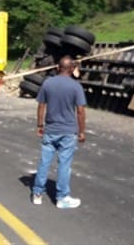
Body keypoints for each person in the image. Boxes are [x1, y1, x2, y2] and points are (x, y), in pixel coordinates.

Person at [32, 55, 86, 209]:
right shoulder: (76, 87)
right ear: (72, 69)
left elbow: (41, 105)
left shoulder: (48, 83)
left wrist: (39, 125)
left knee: (44, 161)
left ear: (57, 67)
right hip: (68, 131)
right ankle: (62, 197)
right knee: (64, 164)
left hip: (50, 129)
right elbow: (81, 111)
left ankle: (37, 193)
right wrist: (82, 132)